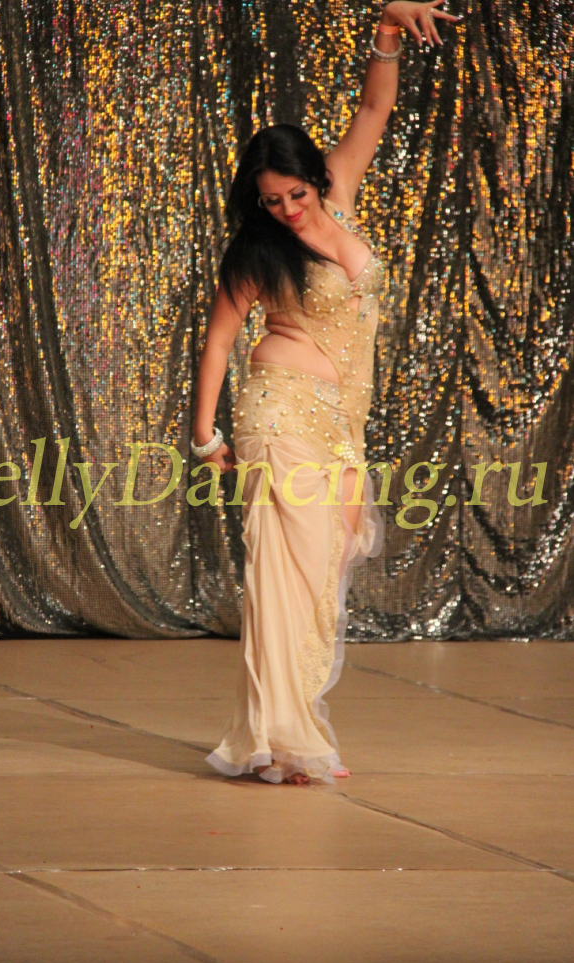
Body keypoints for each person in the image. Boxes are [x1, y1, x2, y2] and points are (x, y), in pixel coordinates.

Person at [194, 2, 459, 785]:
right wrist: (206, 436)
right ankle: (283, 741)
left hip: (340, 420)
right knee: (283, 573)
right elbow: (219, 340)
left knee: (324, 569)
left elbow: (374, 106)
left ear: (315, 179)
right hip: (278, 414)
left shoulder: (339, 191)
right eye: (270, 201)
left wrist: (386, 28)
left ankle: (283, 728)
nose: (284, 210)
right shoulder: (256, 251)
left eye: (293, 195)